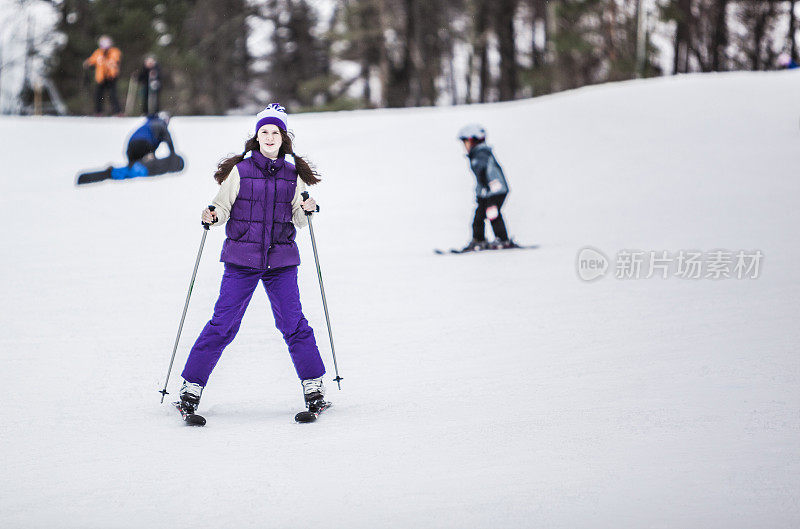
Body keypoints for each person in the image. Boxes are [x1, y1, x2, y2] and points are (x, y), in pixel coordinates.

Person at [177, 103, 329, 417]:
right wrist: (212, 214)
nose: (269, 137)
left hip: (281, 261)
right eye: (264, 132)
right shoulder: (240, 171)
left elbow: (299, 218)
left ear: (283, 137)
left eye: (275, 132)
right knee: (223, 324)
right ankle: (191, 387)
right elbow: (222, 207)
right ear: (256, 137)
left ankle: (314, 386)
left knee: (293, 323)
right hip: (241, 260)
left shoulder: (292, 174)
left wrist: (309, 208)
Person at [457, 123, 516, 251]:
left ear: (473, 140)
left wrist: (484, 191)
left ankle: (502, 239)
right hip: (490, 191)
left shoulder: (480, 154)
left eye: (465, 142)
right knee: (480, 215)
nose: (464, 146)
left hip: (495, 191)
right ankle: (479, 239)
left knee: (492, 213)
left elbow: (484, 175)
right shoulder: (478, 154)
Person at [83, 35, 122, 116]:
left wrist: (107, 58)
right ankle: (98, 112)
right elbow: (91, 60)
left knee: (113, 95)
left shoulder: (114, 51)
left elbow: (115, 60)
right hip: (101, 78)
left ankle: (117, 112)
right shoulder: (98, 52)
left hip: (111, 76)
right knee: (98, 95)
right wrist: (87, 63)